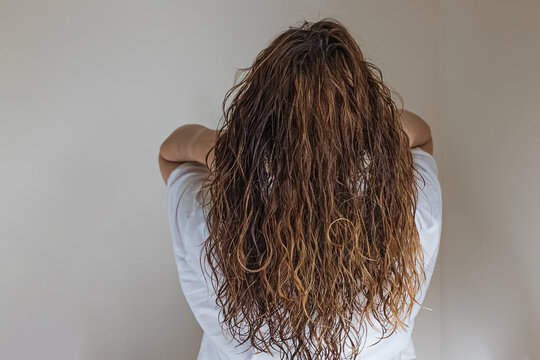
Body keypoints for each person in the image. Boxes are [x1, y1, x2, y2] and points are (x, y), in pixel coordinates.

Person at [158, 17, 442, 360]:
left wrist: (222, 148)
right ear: (366, 126)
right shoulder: (409, 217)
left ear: (257, 125)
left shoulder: (207, 222)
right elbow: (420, 136)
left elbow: (171, 155)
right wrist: (372, 132)